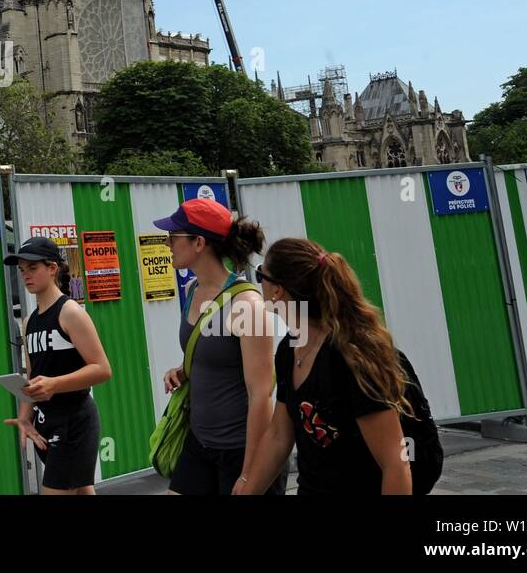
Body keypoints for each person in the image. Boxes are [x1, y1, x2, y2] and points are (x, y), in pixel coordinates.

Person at [238, 238, 413, 495]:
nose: (258, 282)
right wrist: (248, 488)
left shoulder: (350, 358)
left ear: (277, 290)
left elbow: (395, 465)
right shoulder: (289, 349)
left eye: (261, 274)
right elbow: (278, 435)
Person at [155, 198, 284, 495]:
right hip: (199, 443)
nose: (167, 243)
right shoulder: (191, 290)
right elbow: (214, 354)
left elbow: (261, 394)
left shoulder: (246, 305)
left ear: (199, 243)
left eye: (173, 237)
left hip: (240, 451)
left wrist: (250, 473)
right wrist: (185, 369)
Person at [2, 236, 112, 495]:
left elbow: (102, 368)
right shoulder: (29, 322)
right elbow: (33, 375)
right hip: (46, 423)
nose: (26, 276)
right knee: (82, 490)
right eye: (22, 271)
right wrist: (25, 417)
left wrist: (55, 384)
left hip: (74, 421)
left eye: (33, 268)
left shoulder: (70, 312)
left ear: (52, 269)